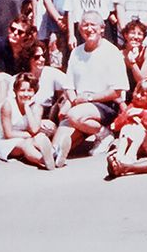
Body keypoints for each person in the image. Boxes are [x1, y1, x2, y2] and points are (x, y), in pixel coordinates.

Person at [51, 12, 128, 167]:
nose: (89, 28)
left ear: (102, 29)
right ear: (80, 30)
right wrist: (73, 101)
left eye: (93, 24)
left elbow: (118, 91)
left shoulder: (112, 52)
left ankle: (104, 135)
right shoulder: (76, 52)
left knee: (73, 116)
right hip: (80, 107)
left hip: (105, 105)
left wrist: (88, 98)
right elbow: (69, 86)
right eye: (85, 25)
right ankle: (57, 156)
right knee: (58, 147)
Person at [0, 73, 56, 169]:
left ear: (35, 91)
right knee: (26, 144)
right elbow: (8, 134)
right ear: (15, 91)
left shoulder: (37, 107)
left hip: (26, 137)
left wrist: (27, 108)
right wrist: (31, 135)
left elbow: (34, 129)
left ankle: (54, 154)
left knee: (40, 138)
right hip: (5, 141)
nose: (26, 94)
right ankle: (44, 160)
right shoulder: (7, 105)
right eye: (22, 90)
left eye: (29, 90)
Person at [120, 19, 147, 89]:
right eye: (132, 33)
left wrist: (132, 62)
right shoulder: (120, 54)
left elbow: (142, 81)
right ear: (125, 35)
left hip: (142, 90)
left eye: (139, 34)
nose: (136, 37)